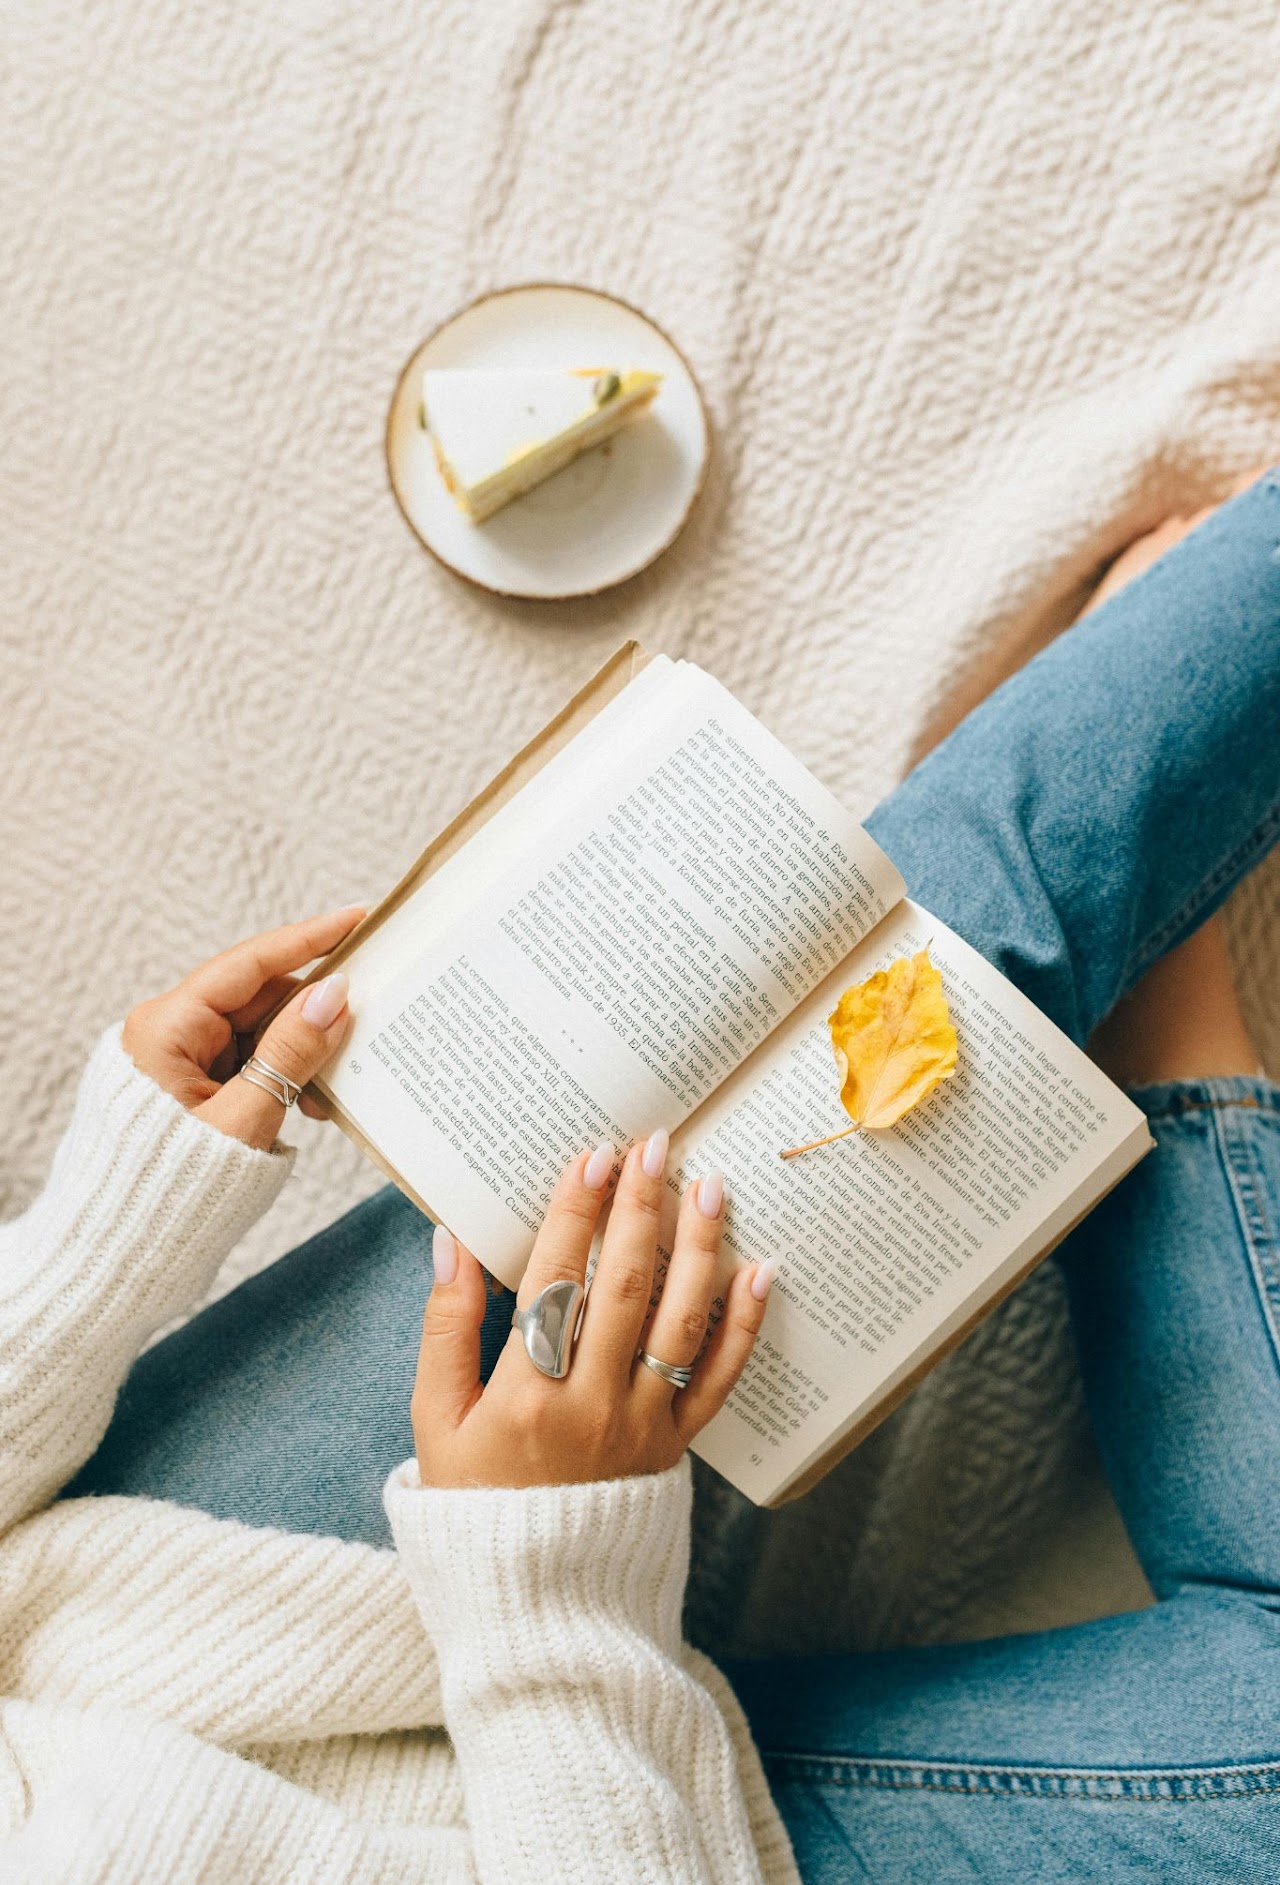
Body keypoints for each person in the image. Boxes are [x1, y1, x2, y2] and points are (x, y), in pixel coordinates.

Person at [3, 471, 1278, 1883]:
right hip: (609, 1830)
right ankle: (1166, 999)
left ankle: (1133, 916)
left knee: (918, 946)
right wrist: (549, 1580)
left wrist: (104, 1238)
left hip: (185, 1620)